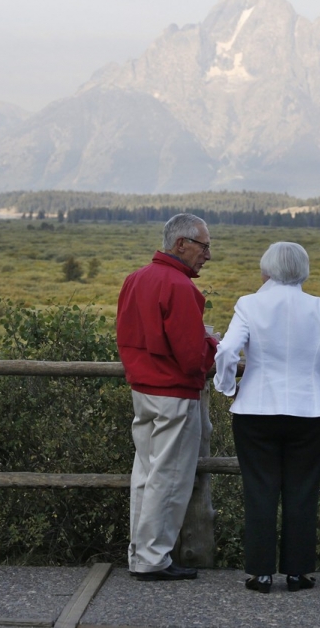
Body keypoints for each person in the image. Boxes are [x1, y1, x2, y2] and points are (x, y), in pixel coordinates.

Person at [213, 242, 320, 594]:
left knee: (259, 490)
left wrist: (227, 386)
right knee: (303, 490)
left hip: (256, 410)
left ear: (267, 271)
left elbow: (228, 350)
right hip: (311, 411)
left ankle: (260, 573)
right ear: (303, 271)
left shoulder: (249, 304)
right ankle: (298, 572)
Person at [116, 213, 218, 581]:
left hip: (142, 390)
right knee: (170, 476)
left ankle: (139, 553)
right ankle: (154, 558)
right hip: (174, 393)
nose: (208, 254)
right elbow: (192, 358)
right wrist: (214, 346)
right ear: (182, 244)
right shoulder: (180, 288)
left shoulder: (135, 279)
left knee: (145, 472)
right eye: (204, 246)